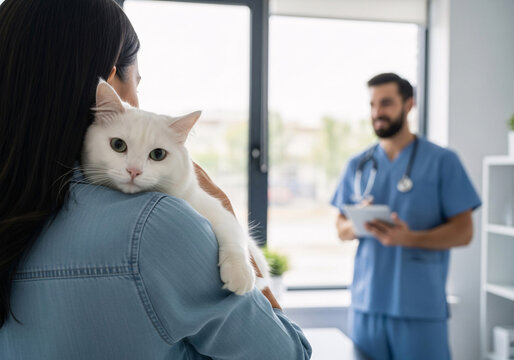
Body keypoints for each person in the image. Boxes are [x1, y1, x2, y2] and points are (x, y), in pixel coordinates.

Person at [0, 1, 312, 359]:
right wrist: (223, 211)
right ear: (111, 82)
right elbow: (286, 354)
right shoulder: (156, 225)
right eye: (136, 82)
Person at [331, 73, 481, 360]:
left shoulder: (442, 161)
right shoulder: (358, 164)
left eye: (386, 103)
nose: (377, 113)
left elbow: (464, 232)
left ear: (409, 104)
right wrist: (356, 222)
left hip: (420, 308)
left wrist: (408, 238)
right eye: (373, 105)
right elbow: (340, 229)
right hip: (367, 305)